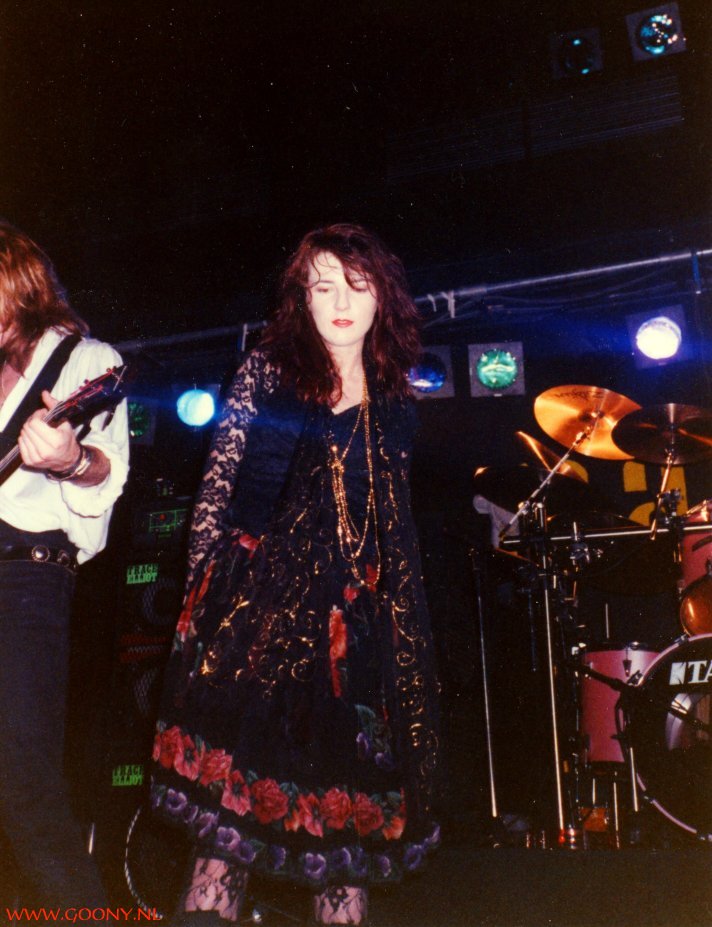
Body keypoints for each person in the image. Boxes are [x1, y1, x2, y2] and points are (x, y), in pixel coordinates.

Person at [151, 224, 440, 926]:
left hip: (347, 640)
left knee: (341, 845)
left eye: (356, 286)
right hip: (252, 621)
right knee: (227, 834)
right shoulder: (267, 370)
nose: (340, 302)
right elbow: (217, 492)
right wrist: (200, 611)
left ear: (382, 296)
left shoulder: (396, 400)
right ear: (301, 298)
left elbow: (393, 534)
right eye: (323, 287)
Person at [0, 222, 130, 907]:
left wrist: (71, 460)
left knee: (23, 783)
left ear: (17, 286)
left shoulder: (86, 362)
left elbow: (107, 472)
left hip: (23, 579)